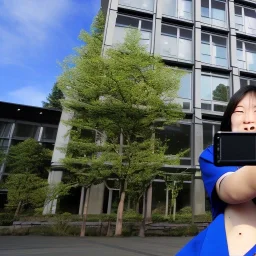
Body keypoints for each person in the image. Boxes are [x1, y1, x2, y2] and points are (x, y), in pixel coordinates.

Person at [176, 85, 256, 256]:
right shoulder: (215, 153)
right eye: (239, 111)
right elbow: (232, 189)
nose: (249, 119)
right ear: (229, 121)